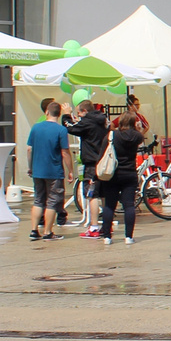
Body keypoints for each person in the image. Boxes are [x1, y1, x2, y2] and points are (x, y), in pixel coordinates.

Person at [24, 100, 72, 241]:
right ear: (59, 114)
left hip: (38, 170)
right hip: (54, 170)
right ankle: (47, 231)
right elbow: (65, 152)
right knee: (52, 201)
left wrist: (30, 166)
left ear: (46, 112)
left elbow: (29, 149)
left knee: (38, 199)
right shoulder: (61, 130)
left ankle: (34, 230)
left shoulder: (36, 128)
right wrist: (70, 170)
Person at [97, 113, 144, 245]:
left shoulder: (112, 135)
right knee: (129, 205)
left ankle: (107, 236)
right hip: (129, 174)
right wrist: (138, 128)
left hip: (112, 174)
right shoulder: (137, 136)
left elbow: (101, 155)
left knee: (109, 206)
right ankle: (128, 237)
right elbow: (140, 136)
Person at [65, 99, 109, 238]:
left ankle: (94, 227)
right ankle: (107, 226)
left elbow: (70, 127)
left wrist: (66, 115)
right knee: (104, 195)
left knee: (92, 195)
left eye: (79, 112)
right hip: (104, 162)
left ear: (85, 111)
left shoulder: (88, 122)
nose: (79, 115)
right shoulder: (103, 120)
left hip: (91, 164)